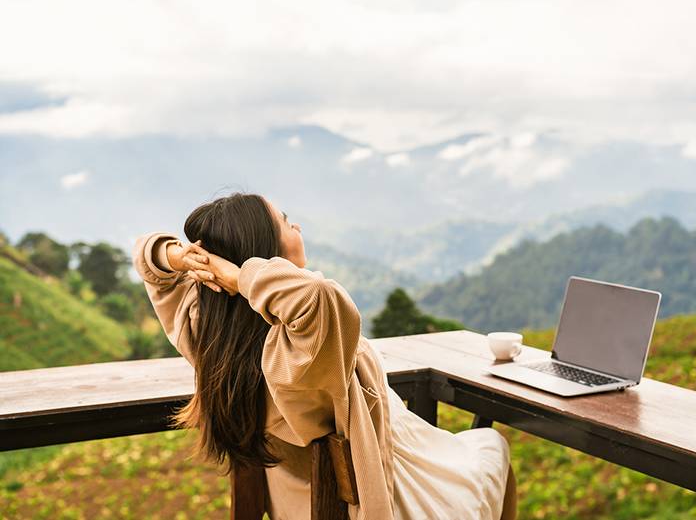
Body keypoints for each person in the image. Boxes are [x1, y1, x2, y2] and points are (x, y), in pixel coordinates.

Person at [133, 192, 517, 520]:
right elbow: (321, 296)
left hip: (298, 501)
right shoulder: (291, 355)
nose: (297, 226)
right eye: (286, 223)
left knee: (472, 447)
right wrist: (238, 277)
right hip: (394, 486)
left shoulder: (209, 336)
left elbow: (148, 258)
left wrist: (181, 257)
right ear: (264, 255)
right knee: (490, 446)